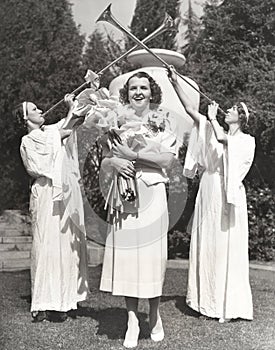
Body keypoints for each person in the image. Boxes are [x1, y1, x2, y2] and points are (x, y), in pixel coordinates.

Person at [168, 66, 255, 322]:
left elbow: (225, 141)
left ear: (239, 117)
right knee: (206, 240)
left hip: (226, 193)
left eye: (232, 110)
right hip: (208, 189)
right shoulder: (211, 125)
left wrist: (214, 118)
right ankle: (203, 300)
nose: (226, 110)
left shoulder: (245, 140)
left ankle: (225, 305)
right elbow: (190, 110)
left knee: (223, 244)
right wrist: (175, 82)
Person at [99, 72, 177, 348]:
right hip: (125, 196)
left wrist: (135, 156)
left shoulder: (163, 123)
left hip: (152, 195)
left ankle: (154, 314)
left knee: (152, 257)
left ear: (152, 92)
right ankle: (132, 318)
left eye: (144, 87)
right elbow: (105, 162)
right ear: (127, 93)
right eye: (133, 88)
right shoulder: (116, 123)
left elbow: (167, 161)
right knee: (129, 258)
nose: (139, 92)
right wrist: (115, 164)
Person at [14, 95, 89, 322]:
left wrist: (85, 98)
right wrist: (70, 109)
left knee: (64, 242)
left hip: (61, 191)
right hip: (46, 193)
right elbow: (65, 129)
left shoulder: (48, 132)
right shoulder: (31, 139)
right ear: (26, 119)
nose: (41, 109)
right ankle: (44, 302)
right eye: (34, 109)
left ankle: (64, 300)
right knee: (47, 243)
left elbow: (74, 122)